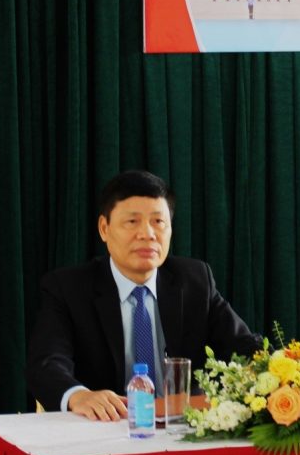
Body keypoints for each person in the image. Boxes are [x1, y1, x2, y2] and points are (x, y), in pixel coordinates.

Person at [26, 170, 262, 421]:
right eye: (132, 222)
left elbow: (245, 347)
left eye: (158, 222)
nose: (147, 234)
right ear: (104, 228)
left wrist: (280, 370)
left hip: (183, 425)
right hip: (106, 425)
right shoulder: (69, 288)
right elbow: (46, 363)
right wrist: (79, 395)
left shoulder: (195, 280)